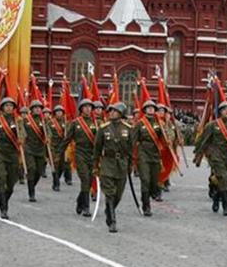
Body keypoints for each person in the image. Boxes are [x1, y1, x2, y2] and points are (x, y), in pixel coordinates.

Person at [193, 100, 227, 216]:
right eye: (224, 109)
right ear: (220, 112)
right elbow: (204, 140)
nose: (226, 111)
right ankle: (226, 207)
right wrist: (198, 155)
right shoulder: (212, 125)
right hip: (216, 155)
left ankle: (216, 197)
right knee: (222, 177)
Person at [93, 101, 133, 232]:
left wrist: (131, 165)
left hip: (121, 164)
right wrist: (95, 165)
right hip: (107, 164)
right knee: (109, 193)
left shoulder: (128, 128)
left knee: (118, 195)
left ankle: (108, 210)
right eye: (110, 111)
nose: (111, 113)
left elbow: (131, 149)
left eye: (114, 111)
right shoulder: (104, 128)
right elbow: (97, 148)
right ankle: (112, 221)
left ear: (121, 113)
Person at [59, 98, 99, 217]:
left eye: (89, 107)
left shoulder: (95, 123)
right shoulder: (76, 123)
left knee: (90, 180)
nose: (88, 109)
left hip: (92, 154)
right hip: (80, 153)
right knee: (85, 179)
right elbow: (67, 139)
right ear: (81, 109)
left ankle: (79, 201)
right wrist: (59, 153)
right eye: (85, 107)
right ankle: (86, 207)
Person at [131, 99, 164, 217]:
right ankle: (146, 206)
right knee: (145, 179)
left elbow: (166, 139)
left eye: (152, 108)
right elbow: (133, 140)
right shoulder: (140, 124)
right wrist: (130, 155)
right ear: (144, 110)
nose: (150, 109)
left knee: (154, 181)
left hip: (155, 154)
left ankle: (149, 194)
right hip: (143, 153)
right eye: (148, 107)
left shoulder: (159, 123)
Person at [23, 99, 49, 202]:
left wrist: (48, 137)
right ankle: (31, 193)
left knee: (39, 171)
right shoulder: (26, 120)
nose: (38, 110)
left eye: (39, 108)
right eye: (35, 108)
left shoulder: (44, 121)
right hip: (29, 148)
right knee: (32, 168)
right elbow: (21, 131)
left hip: (40, 149)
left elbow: (48, 132)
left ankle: (31, 185)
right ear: (32, 109)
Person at [48, 104, 68, 191]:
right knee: (55, 165)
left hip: (62, 147)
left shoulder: (66, 123)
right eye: (57, 112)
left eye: (60, 112)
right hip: (53, 146)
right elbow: (48, 133)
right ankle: (56, 183)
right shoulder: (50, 123)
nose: (59, 113)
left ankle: (57, 178)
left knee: (62, 166)